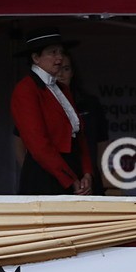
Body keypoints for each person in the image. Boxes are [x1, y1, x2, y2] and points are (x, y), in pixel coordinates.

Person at [10, 28, 93, 195]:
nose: (59, 58)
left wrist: (87, 173)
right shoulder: (26, 89)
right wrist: (70, 178)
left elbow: (79, 137)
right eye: (52, 52)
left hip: (71, 171)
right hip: (46, 176)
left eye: (61, 52)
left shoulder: (62, 89)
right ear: (35, 58)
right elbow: (38, 144)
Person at [56, 54, 111, 192]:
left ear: (73, 72)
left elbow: (101, 140)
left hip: (89, 173)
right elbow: (20, 139)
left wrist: (97, 172)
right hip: (56, 175)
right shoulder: (41, 102)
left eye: (66, 69)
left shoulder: (89, 103)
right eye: (57, 69)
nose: (61, 74)